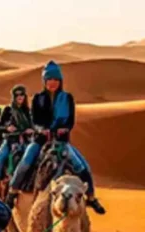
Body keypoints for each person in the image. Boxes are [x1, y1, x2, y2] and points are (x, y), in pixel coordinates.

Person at [8, 61, 105, 215]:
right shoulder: (38, 99)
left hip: (61, 141)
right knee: (26, 162)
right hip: (41, 140)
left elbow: (71, 120)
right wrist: (42, 130)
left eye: (55, 80)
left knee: (83, 167)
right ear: (44, 81)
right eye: (49, 80)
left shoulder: (67, 98)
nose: (52, 83)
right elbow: (35, 120)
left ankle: (91, 197)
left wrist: (65, 128)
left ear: (60, 81)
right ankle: (12, 192)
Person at [0, 85, 32, 186]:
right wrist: (7, 128)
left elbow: (33, 125)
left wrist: (31, 130)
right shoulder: (8, 110)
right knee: (0, 159)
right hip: (10, 140)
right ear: (13, 96)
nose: (20, 97)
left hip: (26, 141)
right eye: (17, 95)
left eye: (22, 94)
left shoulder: (27, 111)